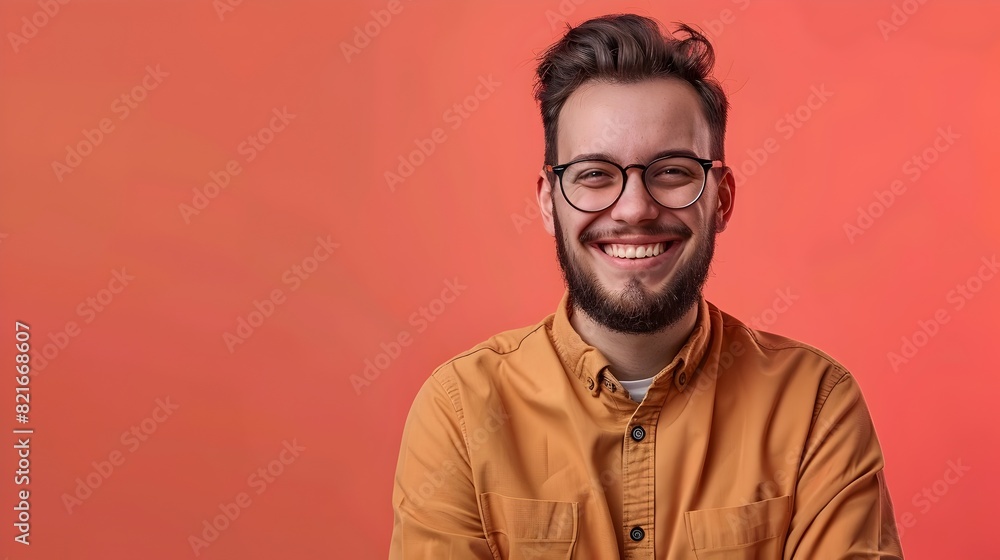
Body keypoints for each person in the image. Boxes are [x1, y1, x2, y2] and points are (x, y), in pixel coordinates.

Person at [389, 13, 903, 559]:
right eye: (594, 173)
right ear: (548, 201)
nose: (635, 208)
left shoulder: (814, 406)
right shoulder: (461, 411)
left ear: (721, 199)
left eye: (672, 171)